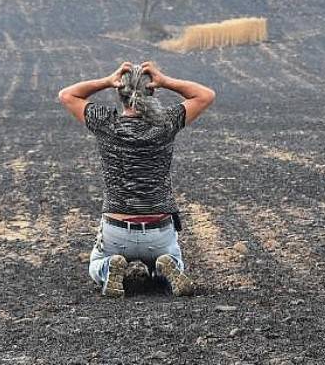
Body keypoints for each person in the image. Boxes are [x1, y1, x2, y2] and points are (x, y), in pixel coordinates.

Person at [58, 61, 215, 297]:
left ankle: (109, 267)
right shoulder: (166, 122)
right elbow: (205, 95)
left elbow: (67, 95)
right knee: (174, 259)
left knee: (95, 265)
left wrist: (107, 80)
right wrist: (165, 80)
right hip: (158, 230)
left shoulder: (106, 123)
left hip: (116, 230)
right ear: (152, 91)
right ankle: (164, 266)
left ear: (120, 93)